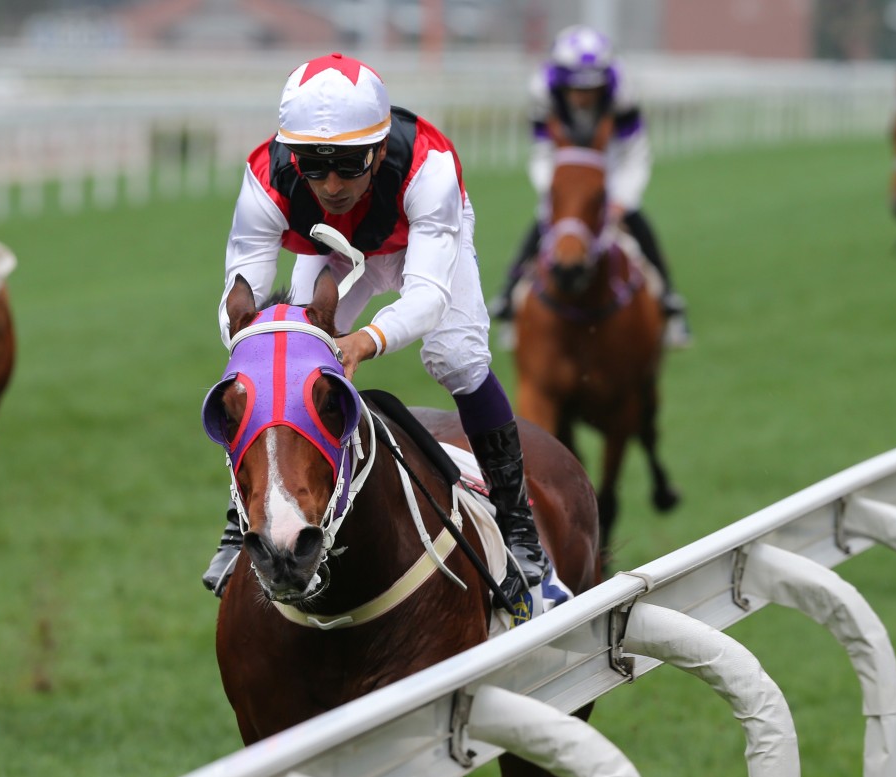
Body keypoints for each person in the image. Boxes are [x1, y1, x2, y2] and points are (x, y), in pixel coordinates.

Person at [203, 52, 554, 611]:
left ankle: (518, 528)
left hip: (423, 239)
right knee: (282, 368)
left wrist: (365, 340)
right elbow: (238, 296)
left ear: (380, 148)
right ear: (291, 156)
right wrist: (266, 341)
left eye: (348, 164)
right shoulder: (264, 177)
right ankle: (240, 520)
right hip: (334, 249)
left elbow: (427, 297)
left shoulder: (428, 166)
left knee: (457, 359)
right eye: (313, 168)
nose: (333, 184)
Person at [487, 24, 692, 349]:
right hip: (564, 160)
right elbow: (542, 152)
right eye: (576, 89)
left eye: (592, 88)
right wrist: (556, 193)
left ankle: (669, 298)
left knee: (636, 220)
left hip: (609, 156)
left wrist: (621, 199)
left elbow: (634, 151)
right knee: (547, 219)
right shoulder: (542, 89)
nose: (584, 96)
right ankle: (508, 295)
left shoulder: (622, 89)